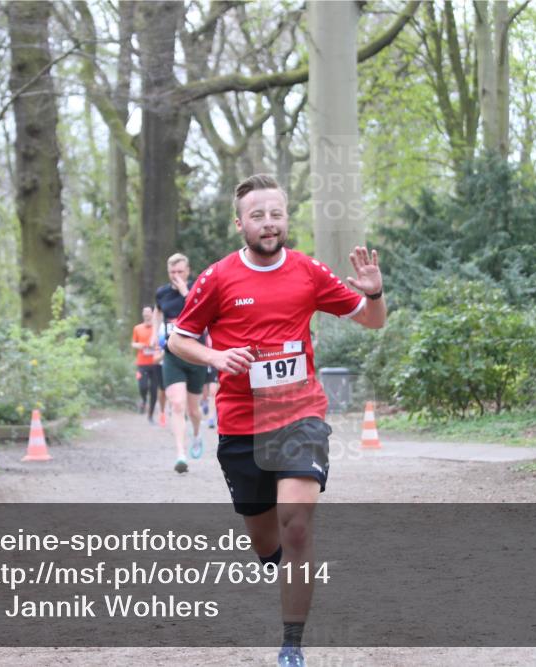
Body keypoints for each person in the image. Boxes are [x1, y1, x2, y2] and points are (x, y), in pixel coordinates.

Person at [169, 174, 386, 667]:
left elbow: (372, 322)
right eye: (258, 216)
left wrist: (374, 295)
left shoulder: (308, 272)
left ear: (286, 218)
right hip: (242, 423)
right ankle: (292, 573)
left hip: (299, 415)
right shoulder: (218, 277)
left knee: (297, 527)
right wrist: (217, 357)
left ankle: (292, 645)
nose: (269, 224)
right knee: (267, 542)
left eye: (276, 214)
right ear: (240, 222)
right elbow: (179, 339)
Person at [152, 253, 206, 472]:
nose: (176, 276)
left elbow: (202, 310)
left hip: (196, 355)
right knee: (177, 404)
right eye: (172, 273)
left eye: (180, 272)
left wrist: (185, 291)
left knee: (193, 410)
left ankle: (196, 433)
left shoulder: (198, 289)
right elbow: (157, 311)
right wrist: (156, 333)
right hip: (172, 355)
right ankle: (180, 455)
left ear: (188, 271)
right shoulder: (162, 293)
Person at [131, 306, 162, 423]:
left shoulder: (157, 328)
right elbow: (133, 344)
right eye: (145, 312)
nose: (147, 314)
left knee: (154, 390)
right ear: (143, 314)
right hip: (141, 363)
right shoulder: (137, 328)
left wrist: (156, 346)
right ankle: (144, 400)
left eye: (149, 312)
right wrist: (140, 345)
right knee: (142, 386)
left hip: (155, 363)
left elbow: (162, 342)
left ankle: (150, 416)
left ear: (152, 314)